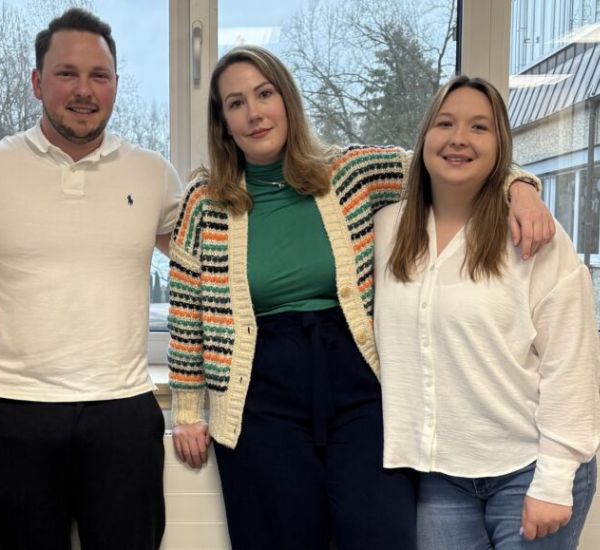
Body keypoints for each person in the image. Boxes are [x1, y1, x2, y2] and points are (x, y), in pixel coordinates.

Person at [167, 45, 555, 550]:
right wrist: (187, 410)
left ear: (287, 101)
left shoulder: (350, 173)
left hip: (359, 386)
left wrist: (521, 186)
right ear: (223, 122)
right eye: (236, 103)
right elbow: (185, 311)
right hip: (258, 396)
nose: (254, 113)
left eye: (265, 94)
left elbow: (448, 162)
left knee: (381, 532)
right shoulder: (205, 202)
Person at [0, 8, 182, 550]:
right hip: (15, 411)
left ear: (116, 83)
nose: (84, 90)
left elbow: (204, 273)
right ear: (37, 82)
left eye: (99, 75)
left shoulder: (153, 173)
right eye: (66, 73)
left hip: (124, 409)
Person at [374, 75, 599, 550]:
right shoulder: (386, 231)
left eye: (479, 127)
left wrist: (555, 477)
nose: (459, 138)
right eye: (445, 124)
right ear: (424, 138)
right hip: (439, 477)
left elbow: (571, 361)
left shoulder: (534, 235)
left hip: (528, 468)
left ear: (501, 147)